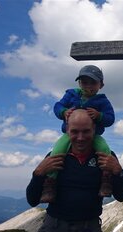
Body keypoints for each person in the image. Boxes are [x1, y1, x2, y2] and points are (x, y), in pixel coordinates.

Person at [25, 109, 123, 232]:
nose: (80, 138)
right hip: (53, 231)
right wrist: (38, 173)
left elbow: (122, 196)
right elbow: (32, 199)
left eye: (86, 131)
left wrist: (118, 171)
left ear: (94, 130)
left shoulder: (105, 156)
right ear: (67, 130)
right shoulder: (54, 156)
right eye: (75, 131)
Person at [40, 65, 115, 203]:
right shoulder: (71, 94)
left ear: (101, 85)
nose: (88, 86)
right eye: (84, 82)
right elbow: (57, 106)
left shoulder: (103, 101)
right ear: (79, 83)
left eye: (93, 82)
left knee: (104, 150)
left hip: (94, 136)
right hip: (70, 135)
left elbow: (110, 119)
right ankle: (50, 183)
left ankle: (106, 179)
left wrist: (99, 116)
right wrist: (63, 112)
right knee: (57, 151)